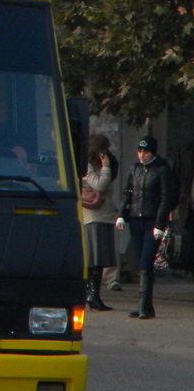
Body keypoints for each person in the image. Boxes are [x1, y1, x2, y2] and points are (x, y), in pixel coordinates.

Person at [116, 135, 178, 319]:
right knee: (140, 259)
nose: (142, 155)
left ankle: (144, 305)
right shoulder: (135, 169)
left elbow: (166, 198)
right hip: (136, 219)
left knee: (145, 261)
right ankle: (145, 305)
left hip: (152, 220)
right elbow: (128, 192)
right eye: (140, 151)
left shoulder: (162, 170)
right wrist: (121, 214)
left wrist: (160, 225)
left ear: (153, 152)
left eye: (146, 152)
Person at [82, 133, 118, 311]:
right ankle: (92, 294)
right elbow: (100, 185)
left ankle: (94, 294)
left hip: (104, 215)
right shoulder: (88, 166)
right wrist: (105, 168)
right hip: (94, 217)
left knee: (100, 258)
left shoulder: (96, 165)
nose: (106, 154)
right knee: (95, 258)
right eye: (103, 150)